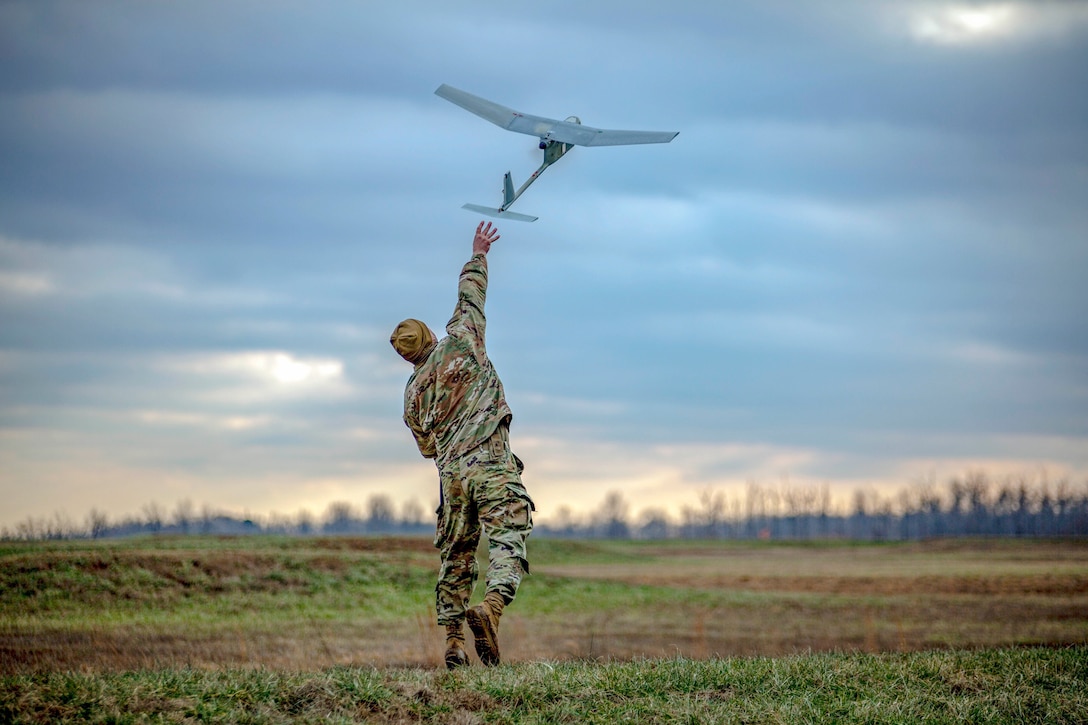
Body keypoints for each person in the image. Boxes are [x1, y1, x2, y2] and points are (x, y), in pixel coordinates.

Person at [390, 220, 534, 669]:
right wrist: (479, 251)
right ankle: (489, 611)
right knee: (508, 534)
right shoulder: (462, 341)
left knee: (456, 555)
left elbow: (427, 448)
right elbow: (471, 294)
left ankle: (453, 641)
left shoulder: (411, 396)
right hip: (490, 461)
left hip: (451, 479)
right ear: (431, 337)